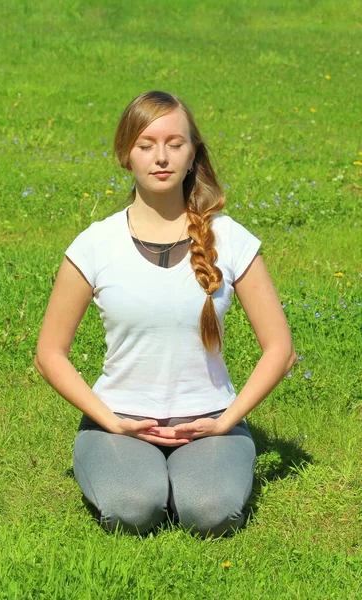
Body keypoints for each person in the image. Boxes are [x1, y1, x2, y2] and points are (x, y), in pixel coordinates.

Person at [34, 90, 297, 538]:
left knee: (211, 513)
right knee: (133, 510)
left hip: (209, 422)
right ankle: (134, 472)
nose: (161, 157)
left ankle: (192, 479)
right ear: (125, 154)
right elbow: (49, 354)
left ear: (193, 154)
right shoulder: (95, 244)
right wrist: (109, 419)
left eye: (175, 144)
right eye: (145, 144)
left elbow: (281, 349)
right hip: (119, 422)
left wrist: (227, 421)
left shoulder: (230, 239)